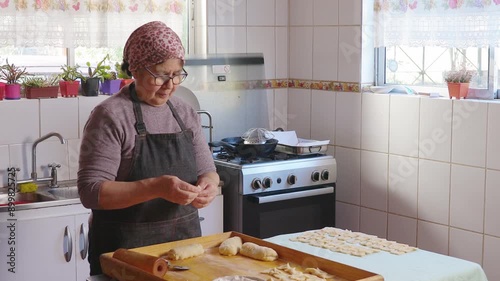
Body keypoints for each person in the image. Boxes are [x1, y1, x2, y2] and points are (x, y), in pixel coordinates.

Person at [77, 21, 220, 275]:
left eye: (177, 74)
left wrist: (209, 185)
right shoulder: (110, 116)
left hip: (183, 254)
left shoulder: (184, 113)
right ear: (136, 70)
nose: (170, 84)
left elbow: (207, 170)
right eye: (160, 75)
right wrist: (157, 187)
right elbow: (91, 192)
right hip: (125, 257)